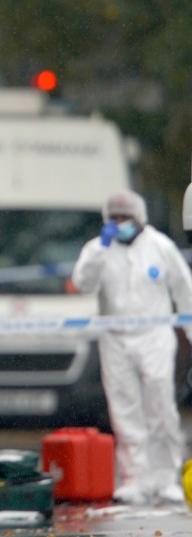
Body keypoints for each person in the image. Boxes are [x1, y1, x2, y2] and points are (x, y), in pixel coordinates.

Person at [71, 189, 192, 505]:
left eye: (125, 217)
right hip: (114, 336)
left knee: (160, 402)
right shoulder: (98, 248)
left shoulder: (160, 246)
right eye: (114, 217)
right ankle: (135, 478)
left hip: (155, 333)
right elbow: (83, 284)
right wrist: (101, 249)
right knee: (124, 408)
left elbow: (184, 289)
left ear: (139, 218)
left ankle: (167, 476)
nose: (119, 223)